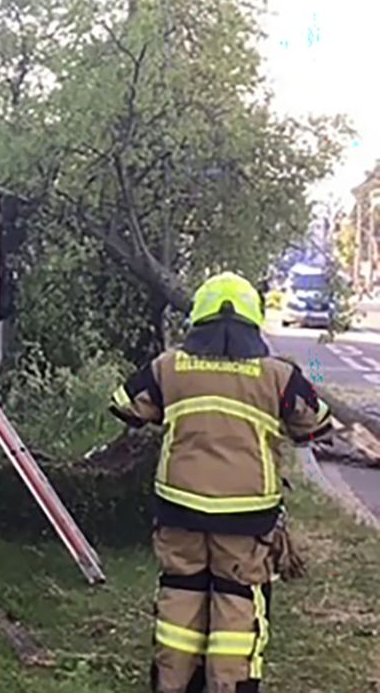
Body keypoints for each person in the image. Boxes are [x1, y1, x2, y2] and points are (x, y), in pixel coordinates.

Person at [108, 272, 335, 693]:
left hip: (179, 511)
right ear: (253, 321)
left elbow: (124, 404)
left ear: (199, 320)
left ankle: (173, 684)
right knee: (237, 606)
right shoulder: (278, 375)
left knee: (180, 597)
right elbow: (316, 423)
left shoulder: (169, 366)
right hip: (247, 519)